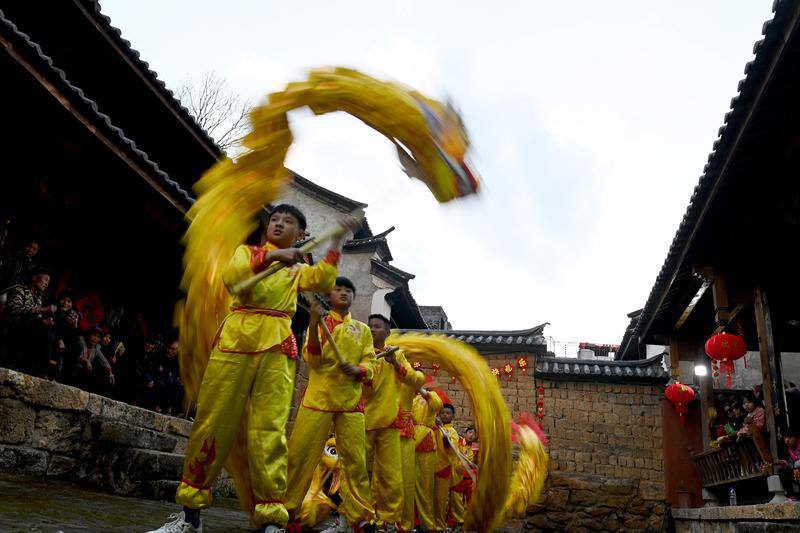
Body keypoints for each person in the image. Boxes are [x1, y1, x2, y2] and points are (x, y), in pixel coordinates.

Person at [149, 205, 352, 533]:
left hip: (276, 345)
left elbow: (323, 281)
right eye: (275, 219)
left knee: (268, 428)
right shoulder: (248, 252)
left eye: (287, 222)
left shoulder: (297, 269)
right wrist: (274, 257)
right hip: (237, 338)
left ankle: (271, 518)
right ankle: (190, 515)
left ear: (300, 234)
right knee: (213, 420)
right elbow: (232, 278)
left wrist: (337, 240)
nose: (278, 224)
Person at [285, 277, 376, 531]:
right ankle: (288, 513)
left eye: (349, 290)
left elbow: (371, 364)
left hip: (350, 401)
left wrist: (357, 369)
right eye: (338, 289)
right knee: (301, 455)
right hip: (319, 397)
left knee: (355, 462)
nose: (344, 293)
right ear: (330, 295)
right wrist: (314, 323)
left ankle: (360, 518)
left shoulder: (362, 330)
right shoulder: (322, 323)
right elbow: (312, 358)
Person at [363, 313, 425, 528]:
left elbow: (417, 379)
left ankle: (389, 522)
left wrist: (396, 364)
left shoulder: (394, 356)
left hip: (390, 424)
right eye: (369, 326)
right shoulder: (362, 353)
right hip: (362, 419)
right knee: (356, 471)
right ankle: (355, 519)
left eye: (377, 326)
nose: (371, 329)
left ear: (387, 333)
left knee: (391, 477)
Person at [0, 267, 56, 374]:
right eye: (45, 279)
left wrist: (44, 320)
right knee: (36, 326)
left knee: (48, 331)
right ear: (34, 278)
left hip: (28, 326)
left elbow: (36, 316)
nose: (46, 284)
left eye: (48, 282)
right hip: (12, 325)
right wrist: (41, 310)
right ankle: (20, 363)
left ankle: (40, 369)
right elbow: (14, 309)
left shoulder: (38, 297)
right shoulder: (20, 289)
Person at [413, 383, 444, 532]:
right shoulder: (410, 399)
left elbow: (438, 405)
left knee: (425, 486)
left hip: (425, 440)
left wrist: (425, 393)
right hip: (410, 439)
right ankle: (412, 521)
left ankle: (427, 524)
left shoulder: (431, 396)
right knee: (408, 484)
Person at [434, 401, 460, 531]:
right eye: (442, 413)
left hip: (443, 468)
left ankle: (439, 525)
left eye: (448, 413)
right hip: (430, 466)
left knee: (441, 499)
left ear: (453, 416)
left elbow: (452, 448)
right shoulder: (434, 427)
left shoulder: (453, 432)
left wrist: (445, 437)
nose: (444, 415)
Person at [74, 327, 115, 392]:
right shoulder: (81, 341)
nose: (95, 338)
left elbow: (103, 361)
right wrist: (85, 361)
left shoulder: (96, 348)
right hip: (73, 369)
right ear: (89, 335)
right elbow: (74, 356)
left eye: (98, 337)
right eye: (94, 335)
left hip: (83, 373)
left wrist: (110, 373)